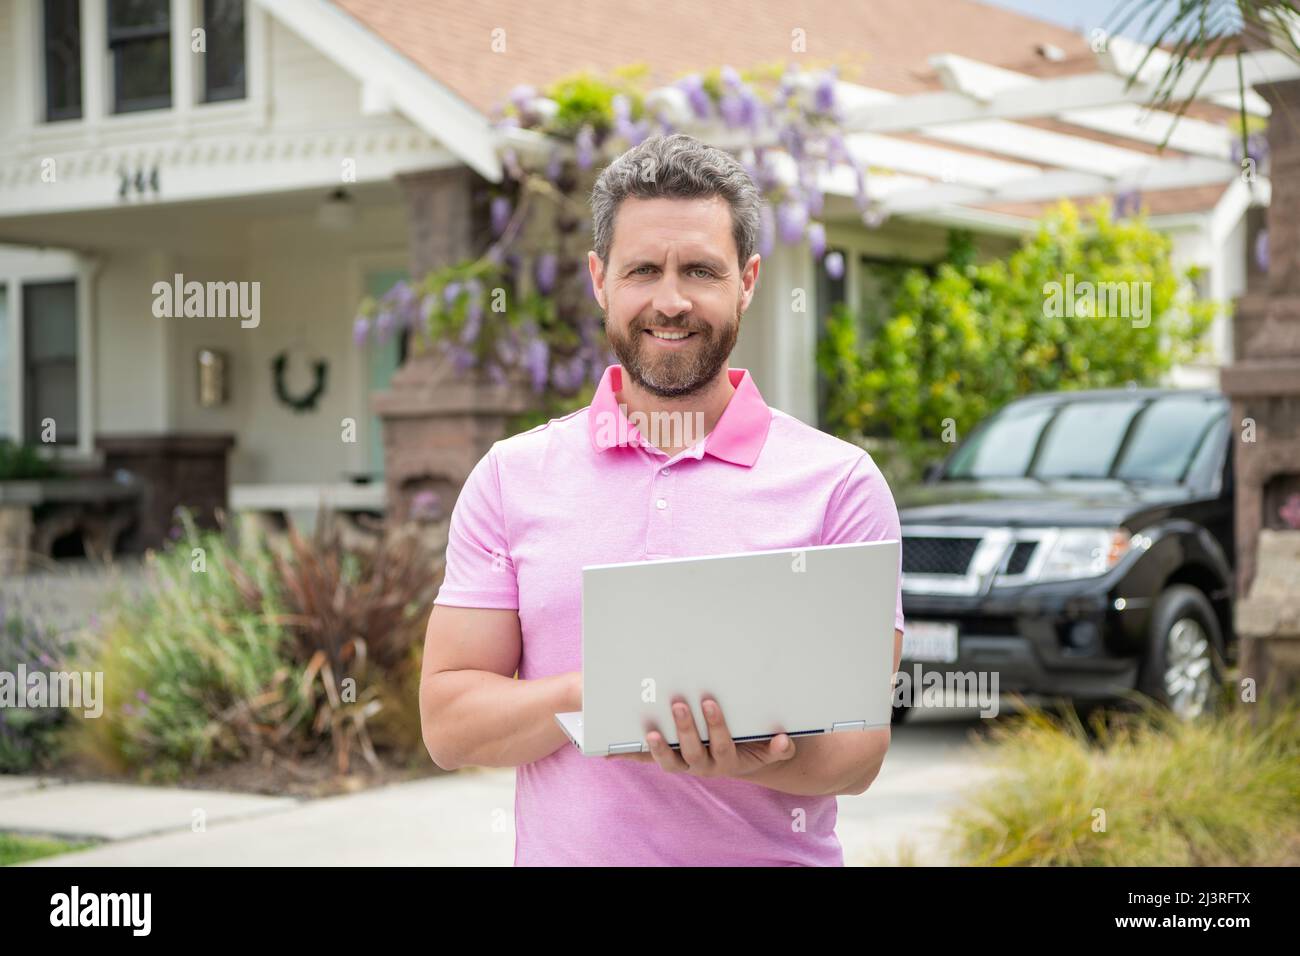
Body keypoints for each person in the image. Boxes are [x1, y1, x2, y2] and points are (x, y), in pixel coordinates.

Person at [420, 132, 905, 866]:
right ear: (599, 279)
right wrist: (609, 693)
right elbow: (450, 723)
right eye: (644, 268)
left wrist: (748, 756)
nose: (670, 301)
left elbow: (859, 751)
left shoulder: (840, 485)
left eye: (701, 271)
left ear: (747, 281)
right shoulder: (510, 476)